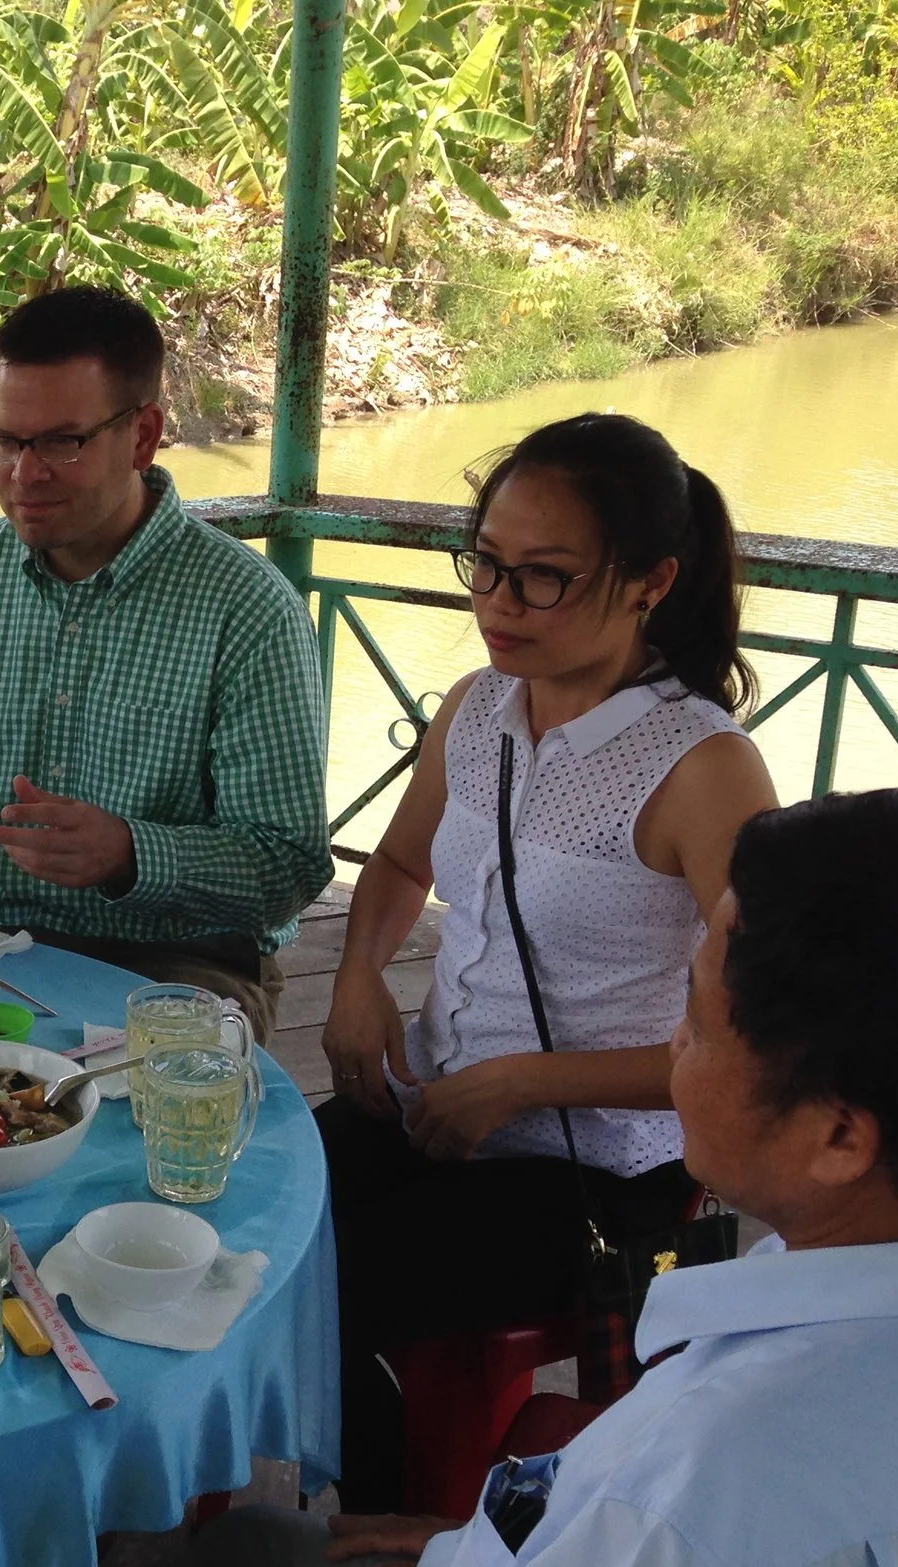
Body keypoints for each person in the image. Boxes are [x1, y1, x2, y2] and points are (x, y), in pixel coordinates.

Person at [0, 786, 898, 1567]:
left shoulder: (690, 1514)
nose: (667, 1050)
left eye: (694, 1022)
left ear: (838, 1135)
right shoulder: (841, 1303)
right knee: (228, 1565)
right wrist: (519, 1546)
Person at [318, 414, 778, 1509]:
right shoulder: (477, 709)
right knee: (241, 1218)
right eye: (483, 563)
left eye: (542, 579)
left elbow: (766, 1031)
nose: (496, 603)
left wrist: (523, 1083)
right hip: (433, 1105)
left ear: (649, 583)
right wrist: (357, 978)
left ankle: (401, 1548)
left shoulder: (702, 770)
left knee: (320, 1291)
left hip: (604, 1171)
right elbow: (395, 860)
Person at [0, 287, 329, 1038]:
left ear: (143, 436)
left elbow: (289, 869)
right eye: (5, 442)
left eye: (61, 443)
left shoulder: (247, 611)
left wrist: (132, 855)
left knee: (149, 1117)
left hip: (174, 959)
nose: (23, 474)